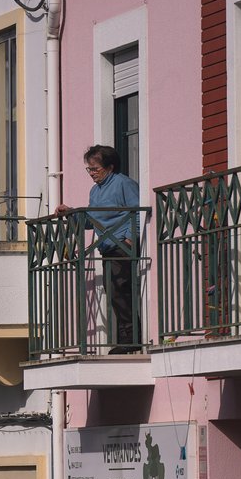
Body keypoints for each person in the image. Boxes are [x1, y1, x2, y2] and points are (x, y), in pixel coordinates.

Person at [56, 145, 141, 353]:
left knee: (121, 291)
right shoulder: (95, 191)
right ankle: (126, 338)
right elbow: (91, 221)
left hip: (122, 245)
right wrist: (72, 213)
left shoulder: (124, 184)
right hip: (106, 246)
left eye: (95, 169)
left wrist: (131, 238)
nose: (92, 173)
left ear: (110, 167)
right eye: (89, 170)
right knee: (114, 293)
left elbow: (137, 210)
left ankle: (130, 339)